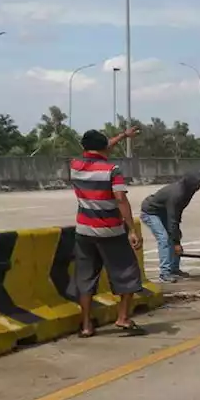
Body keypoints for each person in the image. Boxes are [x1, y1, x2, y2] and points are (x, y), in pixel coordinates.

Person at [68, 127, 146, 337]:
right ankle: (123, 318)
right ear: (104, 148)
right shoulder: (112, 169)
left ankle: (85, 326)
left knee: (85, 279)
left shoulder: (74, 166)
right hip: (110, 231)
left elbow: (99, 149)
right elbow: (120, 199)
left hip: (84, 231)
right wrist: (131, 229)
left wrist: (122, 136)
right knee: (127, 272)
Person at [140, 171, 200, 283]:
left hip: (164, 211)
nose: (198, 187)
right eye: (196, 184)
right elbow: (172, 218)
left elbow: (178, 212)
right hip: (151, 212)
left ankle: (174, 269)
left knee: (176, 234)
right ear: (189, 183)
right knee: (164, 239)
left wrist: (176, 235)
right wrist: (176, 243)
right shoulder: (177, 193)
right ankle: (164, 273)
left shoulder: (189, 190)